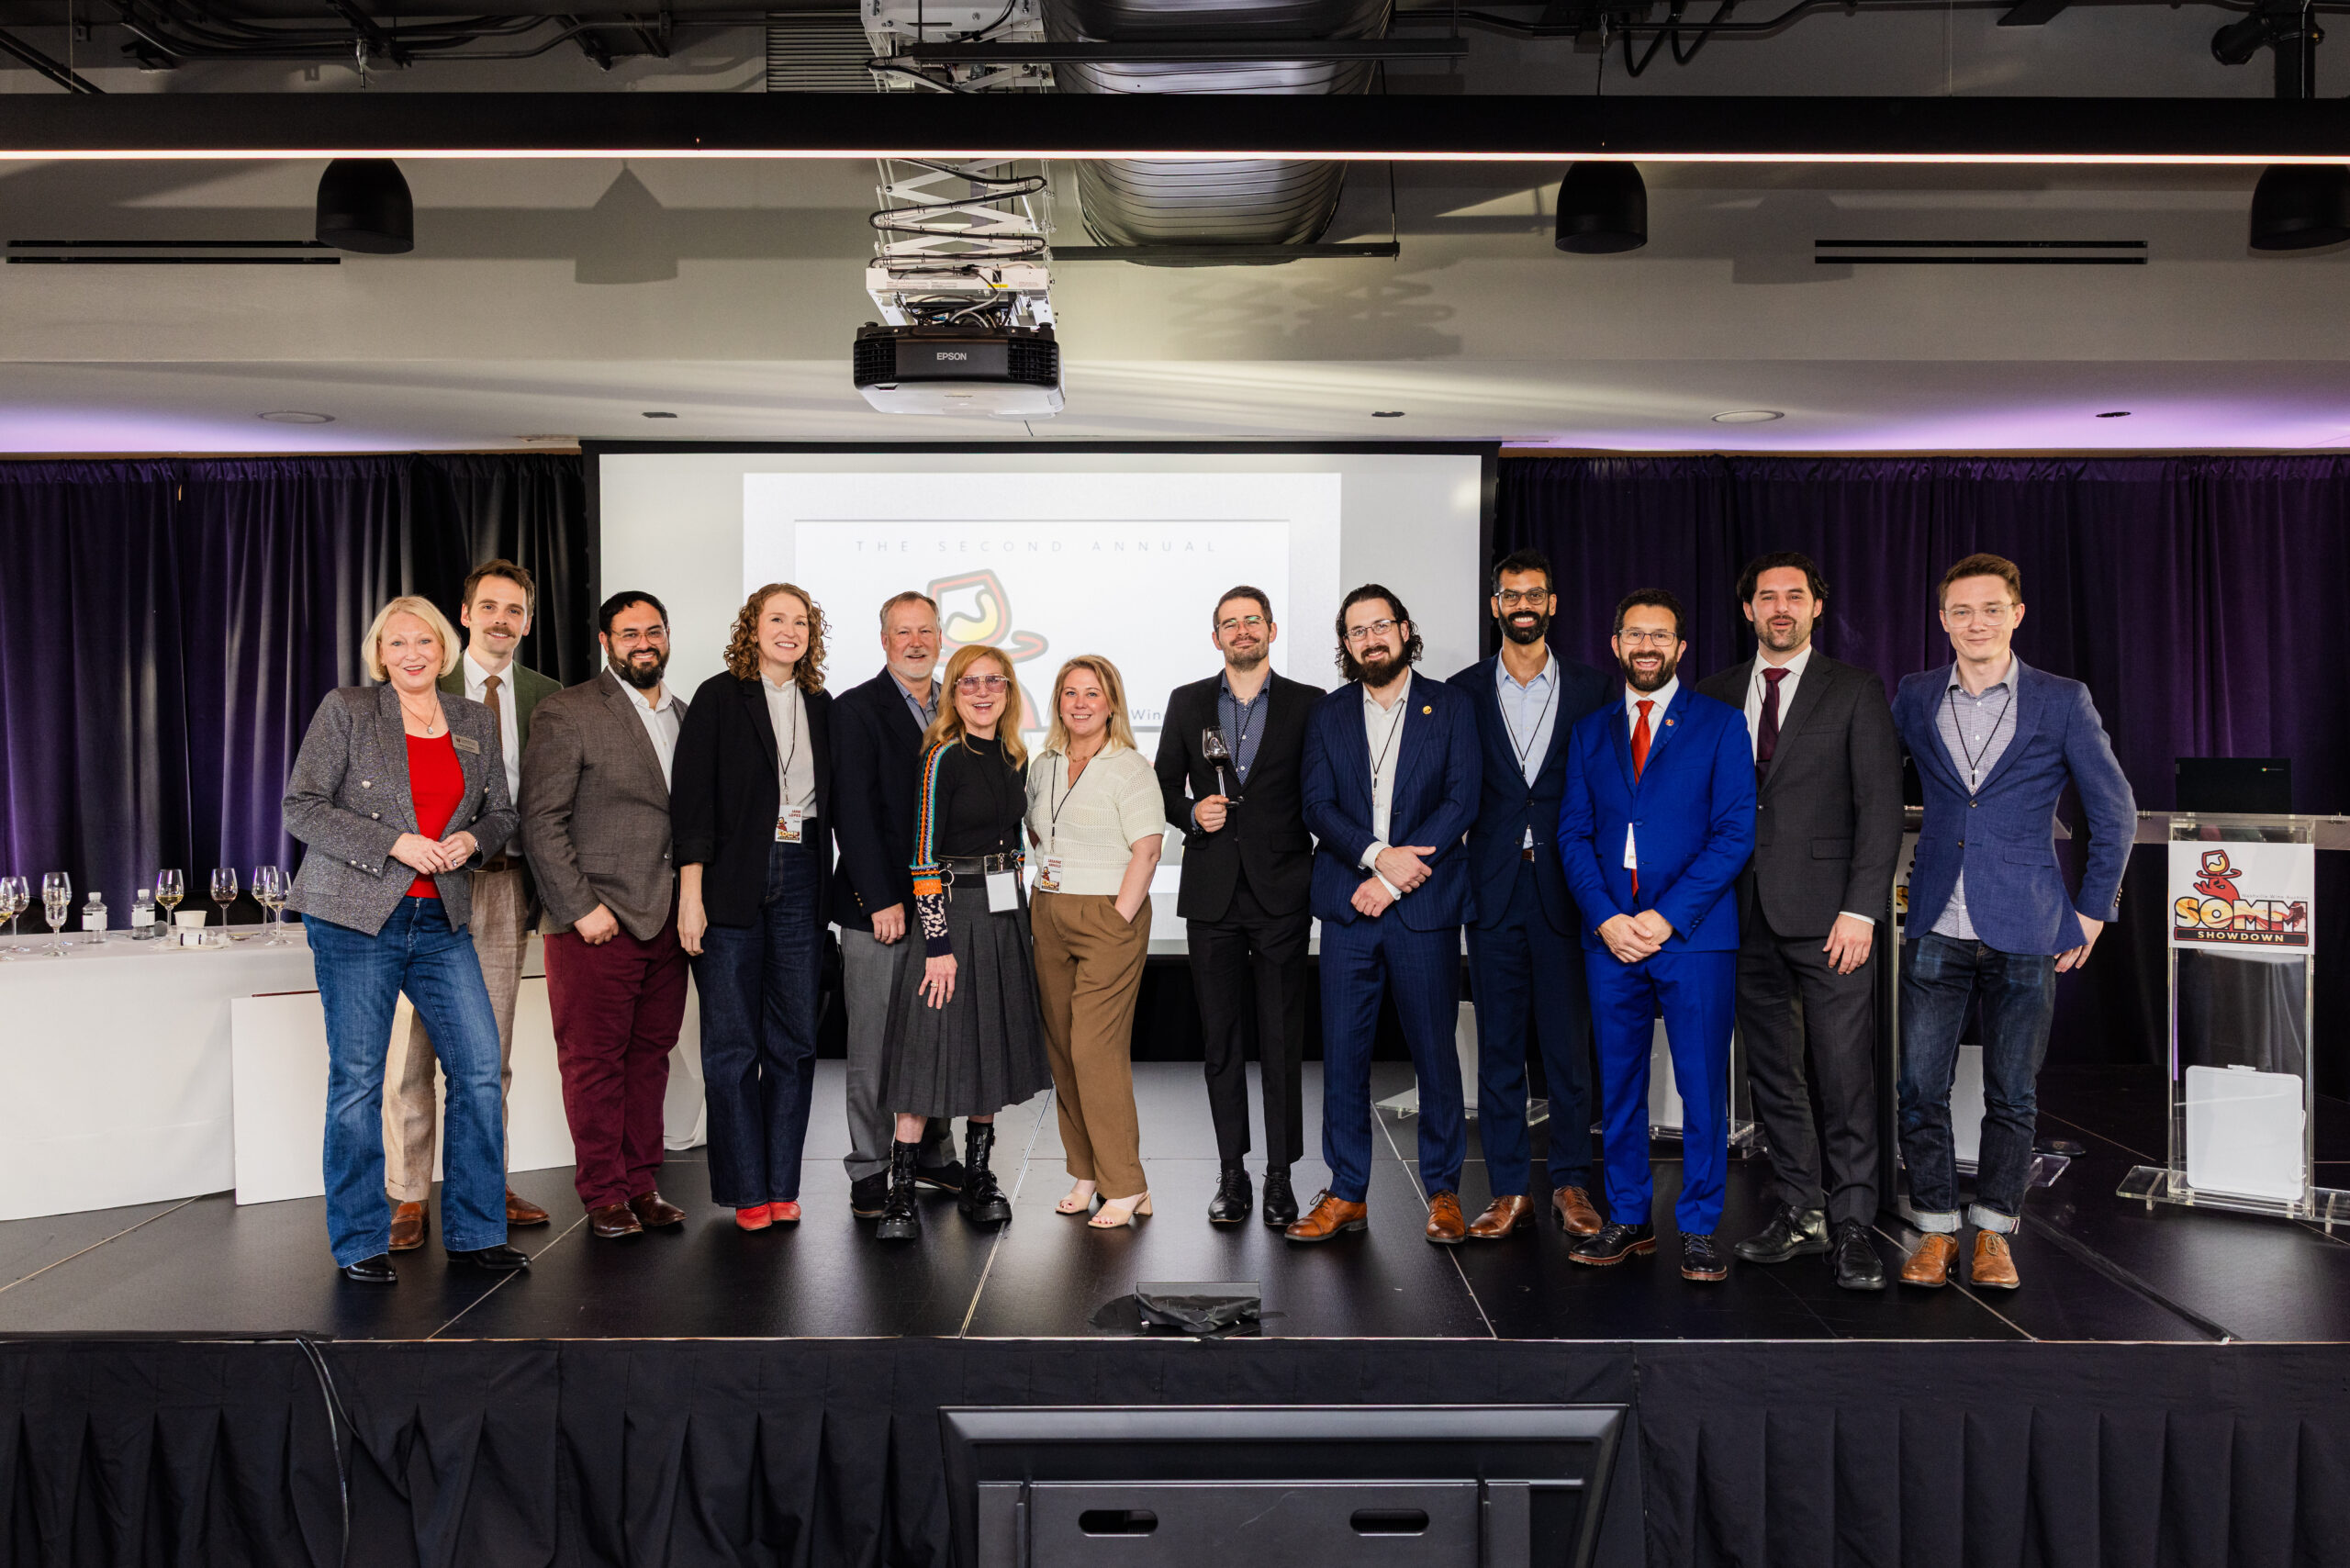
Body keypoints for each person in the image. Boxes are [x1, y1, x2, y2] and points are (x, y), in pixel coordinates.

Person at [1891, 552, 2136, 1291]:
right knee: (1919, 1090)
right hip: (1935, 921)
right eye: (1962, 611)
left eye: (1991, 609)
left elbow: (2115, 811)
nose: (1977, 623)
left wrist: (2092, 912)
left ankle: (1994, 1231)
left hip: (2028, 925)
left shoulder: (2063, 700)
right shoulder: (1914, 695)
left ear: (2017, 614)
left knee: (2012, 1095)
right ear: (1943, 620)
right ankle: (1936, 1230)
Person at [282, 595, 526, 1283]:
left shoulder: (473, 721)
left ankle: (476, 1233)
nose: (412, 653)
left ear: (444, 649)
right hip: (356, 919)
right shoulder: (348, 710)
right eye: (397, 643)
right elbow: (302, 807)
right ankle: (360, 1242)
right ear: (379, 654)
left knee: (479, 1072)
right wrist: (395, 842)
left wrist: (472, 841)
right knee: (358, 1082)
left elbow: (501, 813)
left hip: (442, 919)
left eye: (424, 641)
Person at [1695, 552, 1903, 1292]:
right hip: (1741, 916)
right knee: (1773, 1077)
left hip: (1831, 920)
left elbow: (1880, 807)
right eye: (1766, 596)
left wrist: (1861, 909)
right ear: (1747, 609)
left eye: (1794, 595)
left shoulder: (1855, 690)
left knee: (1844, 1075)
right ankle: (1801, 1211)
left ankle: (1854, 1224)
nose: (1779, 607)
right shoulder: (1715, 693)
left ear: (1816, 606)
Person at [1558, 588, 1754, 1284]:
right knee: (1619, 1087)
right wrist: (1606, 917)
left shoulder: (1722, 725)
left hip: (1693, 936)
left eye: (1660, 635)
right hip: (1611, 937)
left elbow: (1735, 834)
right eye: (1634, 634)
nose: (1647, 646)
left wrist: (1665, 917)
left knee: (1702, 1088)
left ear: (1680, 647)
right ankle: (1629, 1217)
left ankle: (1699, 1226)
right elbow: (1573, 834)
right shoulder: (1590, 732)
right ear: (1616, 644)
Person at [1289, 585, 1480, 1246]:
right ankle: (1347, 1192)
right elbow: (1316, 805)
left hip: (1422, 907)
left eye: (1380, 626)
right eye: (1357, 631)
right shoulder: (1328, 713)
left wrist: (1394, 882)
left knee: (1434, 1055)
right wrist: (1375, 859)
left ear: (1404, 629)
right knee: (1343, 1057)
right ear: (1346, 644)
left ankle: (1445, 1192)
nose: (1370, 640)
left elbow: (1461, 801)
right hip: (1348, 906)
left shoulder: (1450, 706)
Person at [383, 559, 559, 1250]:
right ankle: (409, 1193)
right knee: (412, 1051)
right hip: (426, 886)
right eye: (489, 606)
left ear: (528, 621)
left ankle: (483, 1184)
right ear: (464, 614)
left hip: (505, 887)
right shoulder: (425, 677)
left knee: (491, 1052)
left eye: (514, 610)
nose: (500, 620)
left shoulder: (547, 696)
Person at [1445, 550, 1612, 1241]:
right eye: (1511, 595)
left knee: (1570, 1052)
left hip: (1567, 891)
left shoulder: (1594, 689)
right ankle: (1510, 1189)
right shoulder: (1460, 692)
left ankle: (1571, 1183)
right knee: (1500, 1052)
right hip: (1491, 893)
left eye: (1534, 594)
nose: (1523, 605)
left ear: (1552, 604)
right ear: (1495, 606)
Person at [520, 589, 691, 1240]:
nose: (643, 643)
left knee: (651, 1058)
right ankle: (603, 1193)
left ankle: (641, 1183)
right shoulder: (568, 711)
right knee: (592, 1062)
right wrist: (579, 907)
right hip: (595, 921)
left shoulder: (685, 714)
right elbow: (541, 821)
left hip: (668, 920)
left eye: (654, 630)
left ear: (667, 635)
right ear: (605, 641)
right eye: (629, 633)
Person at [1152, 587, 1323, 1227]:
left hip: (1282, 890)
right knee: (1220, 1041)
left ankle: (1280, 1176)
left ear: (1272, 630)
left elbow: (1323, 789)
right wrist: (1191, 812)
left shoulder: (1310, 703)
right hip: (1211, 891)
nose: (1242, 630)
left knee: (1281, 1041)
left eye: (1253, 620)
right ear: (1216, 636)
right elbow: (1162, 786)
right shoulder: (1187, 701)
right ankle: (1232, 1173)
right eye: (1231, 623)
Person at [874, 643, 1055, 1242]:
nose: (982, 692)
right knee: (925, 1050)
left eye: (993, 682)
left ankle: (978, 1179)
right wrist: (937, 944)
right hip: (951, 916)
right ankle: (900, 1193)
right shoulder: (941, 757)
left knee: (988, 1045)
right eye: (969, 682)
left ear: (1008, 691)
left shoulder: (1013, 755)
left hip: (1003, 915)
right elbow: (923, 858)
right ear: (952, 692)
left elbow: (1015, 841)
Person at [674, 583, 834, 1231]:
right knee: (732, 1045)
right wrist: (690, 897)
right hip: (728, 880)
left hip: (802, 873)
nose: (789, 631)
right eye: (777, 619)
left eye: (801, 622)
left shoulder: (821, 704)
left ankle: (781, 1183)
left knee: (794, 1042)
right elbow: (691, 805)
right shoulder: (718, 697)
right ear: (753, 627)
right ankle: (746, 1190)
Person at [828, 591, 965, 1218]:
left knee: (936, 1035)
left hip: (945, 906)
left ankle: (933, 1154)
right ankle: (869, 1165)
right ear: (884, 641)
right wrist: (879, 898)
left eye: (926, 631)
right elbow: (851, 812)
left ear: (940, 638)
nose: (916, 642)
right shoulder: (855, 709)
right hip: (878, 909)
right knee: (874, 1046)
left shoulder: (958, 706)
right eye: (903, 632)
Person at [1027, 655, 1166, 1229]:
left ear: (1112, 703)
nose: (1080, 703)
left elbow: (1148, 850)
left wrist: (1118, 917)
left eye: (1092, 693)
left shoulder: (1130, 767)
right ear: (1058, 703)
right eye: (1070, 693)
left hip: (1108, 913)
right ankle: (1086, 1171)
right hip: (1048, 911)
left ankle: (1126, 1184)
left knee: (1093, 1049)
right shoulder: (1044, 764)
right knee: (1062, 1049)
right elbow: (1037, 832)